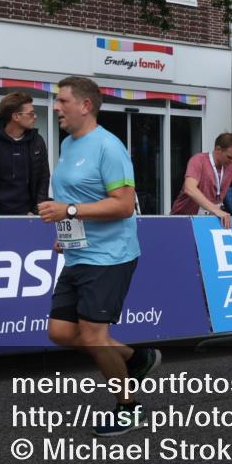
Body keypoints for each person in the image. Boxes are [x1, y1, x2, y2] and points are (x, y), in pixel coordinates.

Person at [38, 76, 159, 437]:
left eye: (62, 101)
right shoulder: (68, 145)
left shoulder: (109, 147)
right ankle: (136, 358)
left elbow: (123, 206)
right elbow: (78, 197)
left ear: (85, 105)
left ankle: (128, 407)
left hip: (110, 255)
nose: (56, 107)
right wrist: (67, 235)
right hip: (79, 253)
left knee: (93, 335)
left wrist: (69, 212)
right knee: (60, 332)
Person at [170, 133, 232, 230]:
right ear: (218, 149)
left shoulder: (230, 167)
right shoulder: (199, 160)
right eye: (229, 157)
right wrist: (215, 210)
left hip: (206, 223)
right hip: (181, 221)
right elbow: (189, 188)